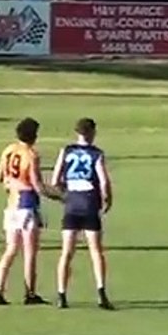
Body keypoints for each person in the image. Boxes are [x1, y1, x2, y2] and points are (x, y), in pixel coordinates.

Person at [0, 118, 60, 306]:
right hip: (27, 204)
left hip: (11, 205)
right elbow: (37, 185)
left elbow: (0, 176)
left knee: (11, 249)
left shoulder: (8, 150)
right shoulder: (31, 155)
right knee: (30, 252)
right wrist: (60, 196)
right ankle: (29, 292)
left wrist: (10, 184)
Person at [52, 117, 115, 310]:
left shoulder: (66, 151)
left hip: (72, 205)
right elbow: (103, 180)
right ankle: (101, 292)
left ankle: (62, 294)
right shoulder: (97, 154)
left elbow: (55, 179)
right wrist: (107, 198)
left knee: (66, 252)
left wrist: (66, 192)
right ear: (92, 132)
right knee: (96, 251)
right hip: (89, 203)